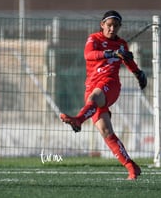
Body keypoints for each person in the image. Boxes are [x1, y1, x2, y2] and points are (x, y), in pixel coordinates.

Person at [59, 10, 147, 180]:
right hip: (91, 86)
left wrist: (138, 73)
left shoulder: (121, 44)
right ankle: (132, 167)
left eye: (116, 26)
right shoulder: (94, 38)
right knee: (106, 132)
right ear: (102, 25)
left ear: (120, 27)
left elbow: (127, 60)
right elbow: (88, 55)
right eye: (109, 25)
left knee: (93, 99)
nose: (112, 28)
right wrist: (111, 54)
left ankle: (78, 120)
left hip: (110, 85)